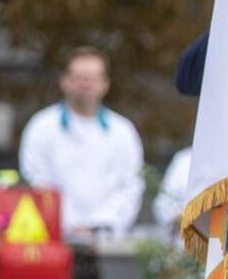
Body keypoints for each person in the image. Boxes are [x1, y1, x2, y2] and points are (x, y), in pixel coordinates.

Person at [17, 47, 145, 240]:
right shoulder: (41, 126)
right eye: (79, 77)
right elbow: (36, 180)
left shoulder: (124, 131)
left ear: (105, 84)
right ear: (64, 82)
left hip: (109, 243)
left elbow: (131, 186)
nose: (86, 84)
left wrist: (99, 225)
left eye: (93, 78)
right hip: (53, 239)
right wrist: (69, 224)